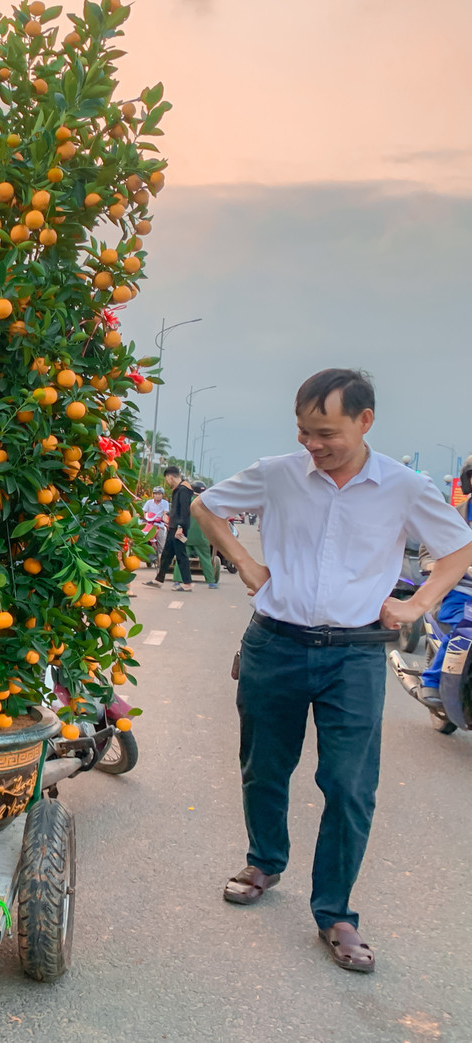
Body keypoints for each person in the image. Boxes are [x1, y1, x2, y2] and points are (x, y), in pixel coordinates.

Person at [193, 369, 472, 974]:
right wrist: (244, 564)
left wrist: (418, 605)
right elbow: (205, 506)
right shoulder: (278, 473)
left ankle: (336, 912)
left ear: (365, 421)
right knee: (264, 766)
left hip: (355, 655)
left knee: (349, 785)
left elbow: (460, 547)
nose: (312, 445)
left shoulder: (404, 487)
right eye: (304, 432)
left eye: (326, 433)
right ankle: (265, 860)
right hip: (275, 644)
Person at [419, 459, 472, 705]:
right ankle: (431, 680)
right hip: (460, 593)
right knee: (467, 628)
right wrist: (437, 566)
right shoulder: (453, 516)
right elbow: (427, 552)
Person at [143, 466, 193, 591]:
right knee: (166, 555)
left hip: (179, 529)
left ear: (170, 477)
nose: (167, 482)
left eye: (166, 479)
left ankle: (187, 584)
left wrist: (180, 527)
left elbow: (184, 511)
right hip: (173, 527)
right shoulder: (178, 489)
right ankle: (159, 580)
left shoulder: (183, 490)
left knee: (181, 555)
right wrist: (169, 516)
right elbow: (176, 509)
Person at [172, 481, 220, 589]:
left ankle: (177, 581)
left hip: (186, 537)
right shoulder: (207, 504)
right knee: (206, 559)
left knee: (182, 557)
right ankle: (211, 582)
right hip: (202, 538)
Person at [142, 486, 170, 563]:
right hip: (149, 524)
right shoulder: (149, 502)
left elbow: (165, 513)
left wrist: (165, 519)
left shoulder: (165, 503)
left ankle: (161, 559)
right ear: (153, 494)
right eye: (156, 494)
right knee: (142, 537)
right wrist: (144, 517)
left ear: (162, 495)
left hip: (160, 524)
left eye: (159, 494)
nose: (158, 496)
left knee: (162, 544)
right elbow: (144, 512)